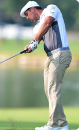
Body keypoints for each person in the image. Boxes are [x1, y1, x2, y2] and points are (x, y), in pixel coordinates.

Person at [20, 1, 72, 130]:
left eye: (27, 14)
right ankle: (63, 124)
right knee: (49, 91)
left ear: (32, 9)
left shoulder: (51, 8)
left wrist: (34, 41)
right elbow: (37, 37)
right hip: (50, 57)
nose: (27, 18)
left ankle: (52, 125)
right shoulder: (37, 27)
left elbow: (48, 23)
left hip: (61, 53)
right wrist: (30, 46)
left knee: (53, 89)